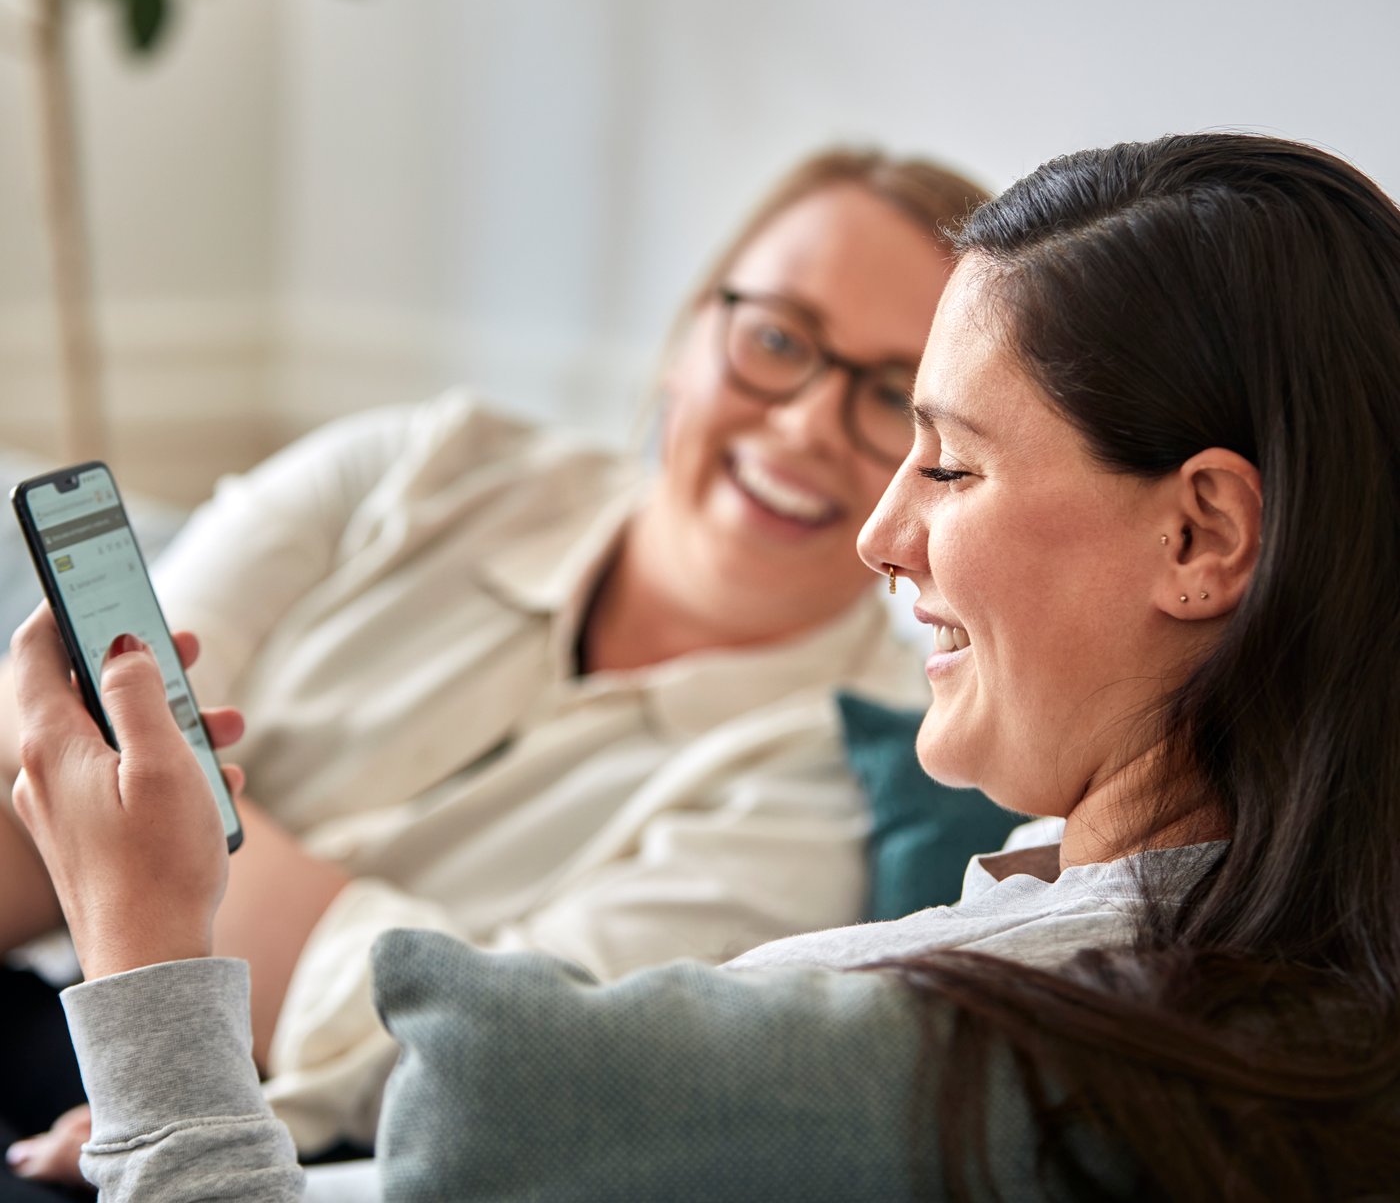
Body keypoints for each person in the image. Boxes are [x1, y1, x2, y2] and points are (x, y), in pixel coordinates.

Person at [13, 130, 1400, 1200]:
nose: (880, 527)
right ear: (689, 329)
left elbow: (419, 1091)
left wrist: (147, 933)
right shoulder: (1289, 965)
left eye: (948, 457)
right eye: (776, 337)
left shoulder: (870, 1027)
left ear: (1204, 535)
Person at [0, 146, 991, 1185]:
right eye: (777, 338)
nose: (801, 424)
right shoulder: (417, 464)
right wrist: (143, 850)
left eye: (891, 395)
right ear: (689, 333)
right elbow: (59, 755)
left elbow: (482, 1058)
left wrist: (144, 857)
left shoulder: (845, 773)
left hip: (265, 1142)